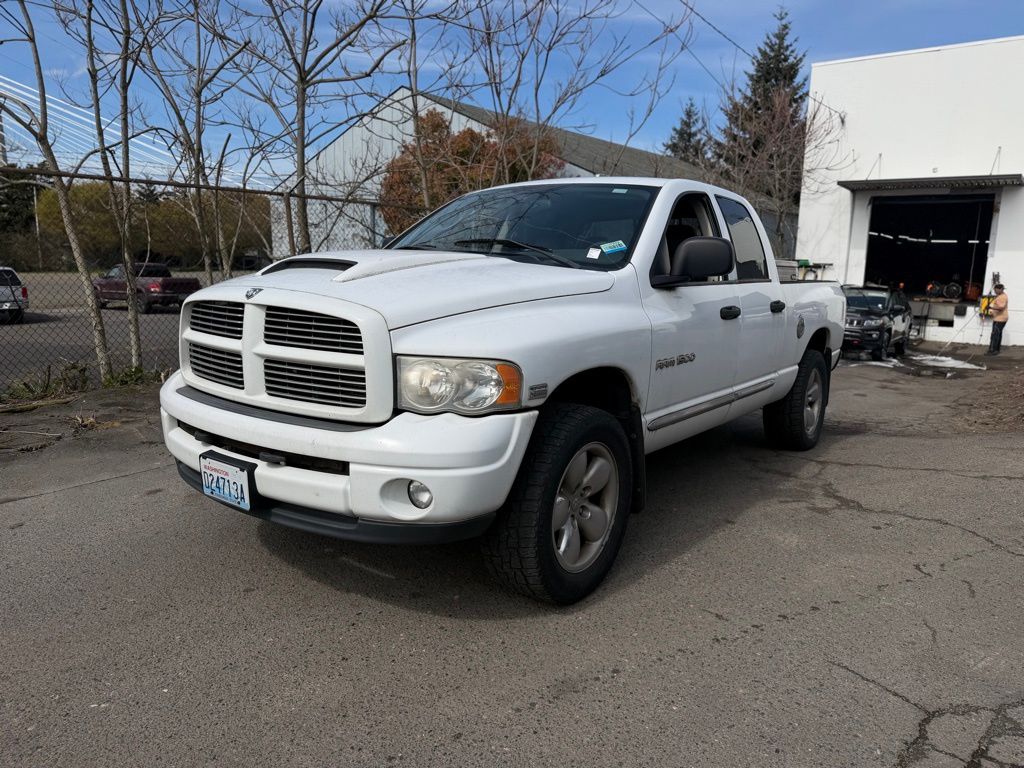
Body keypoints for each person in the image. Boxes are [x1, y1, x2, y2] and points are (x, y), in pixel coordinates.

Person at [986, 284, 1009, 355]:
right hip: (999, 318)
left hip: (1000, 319)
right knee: (998, 334)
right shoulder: (1001, 296)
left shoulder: (1002, 297)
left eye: (995, 290)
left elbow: (1001, 308)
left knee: (995, 334)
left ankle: (992, 350)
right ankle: (996, 350)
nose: (995, 291)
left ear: (1000, 289)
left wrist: (990, 308)